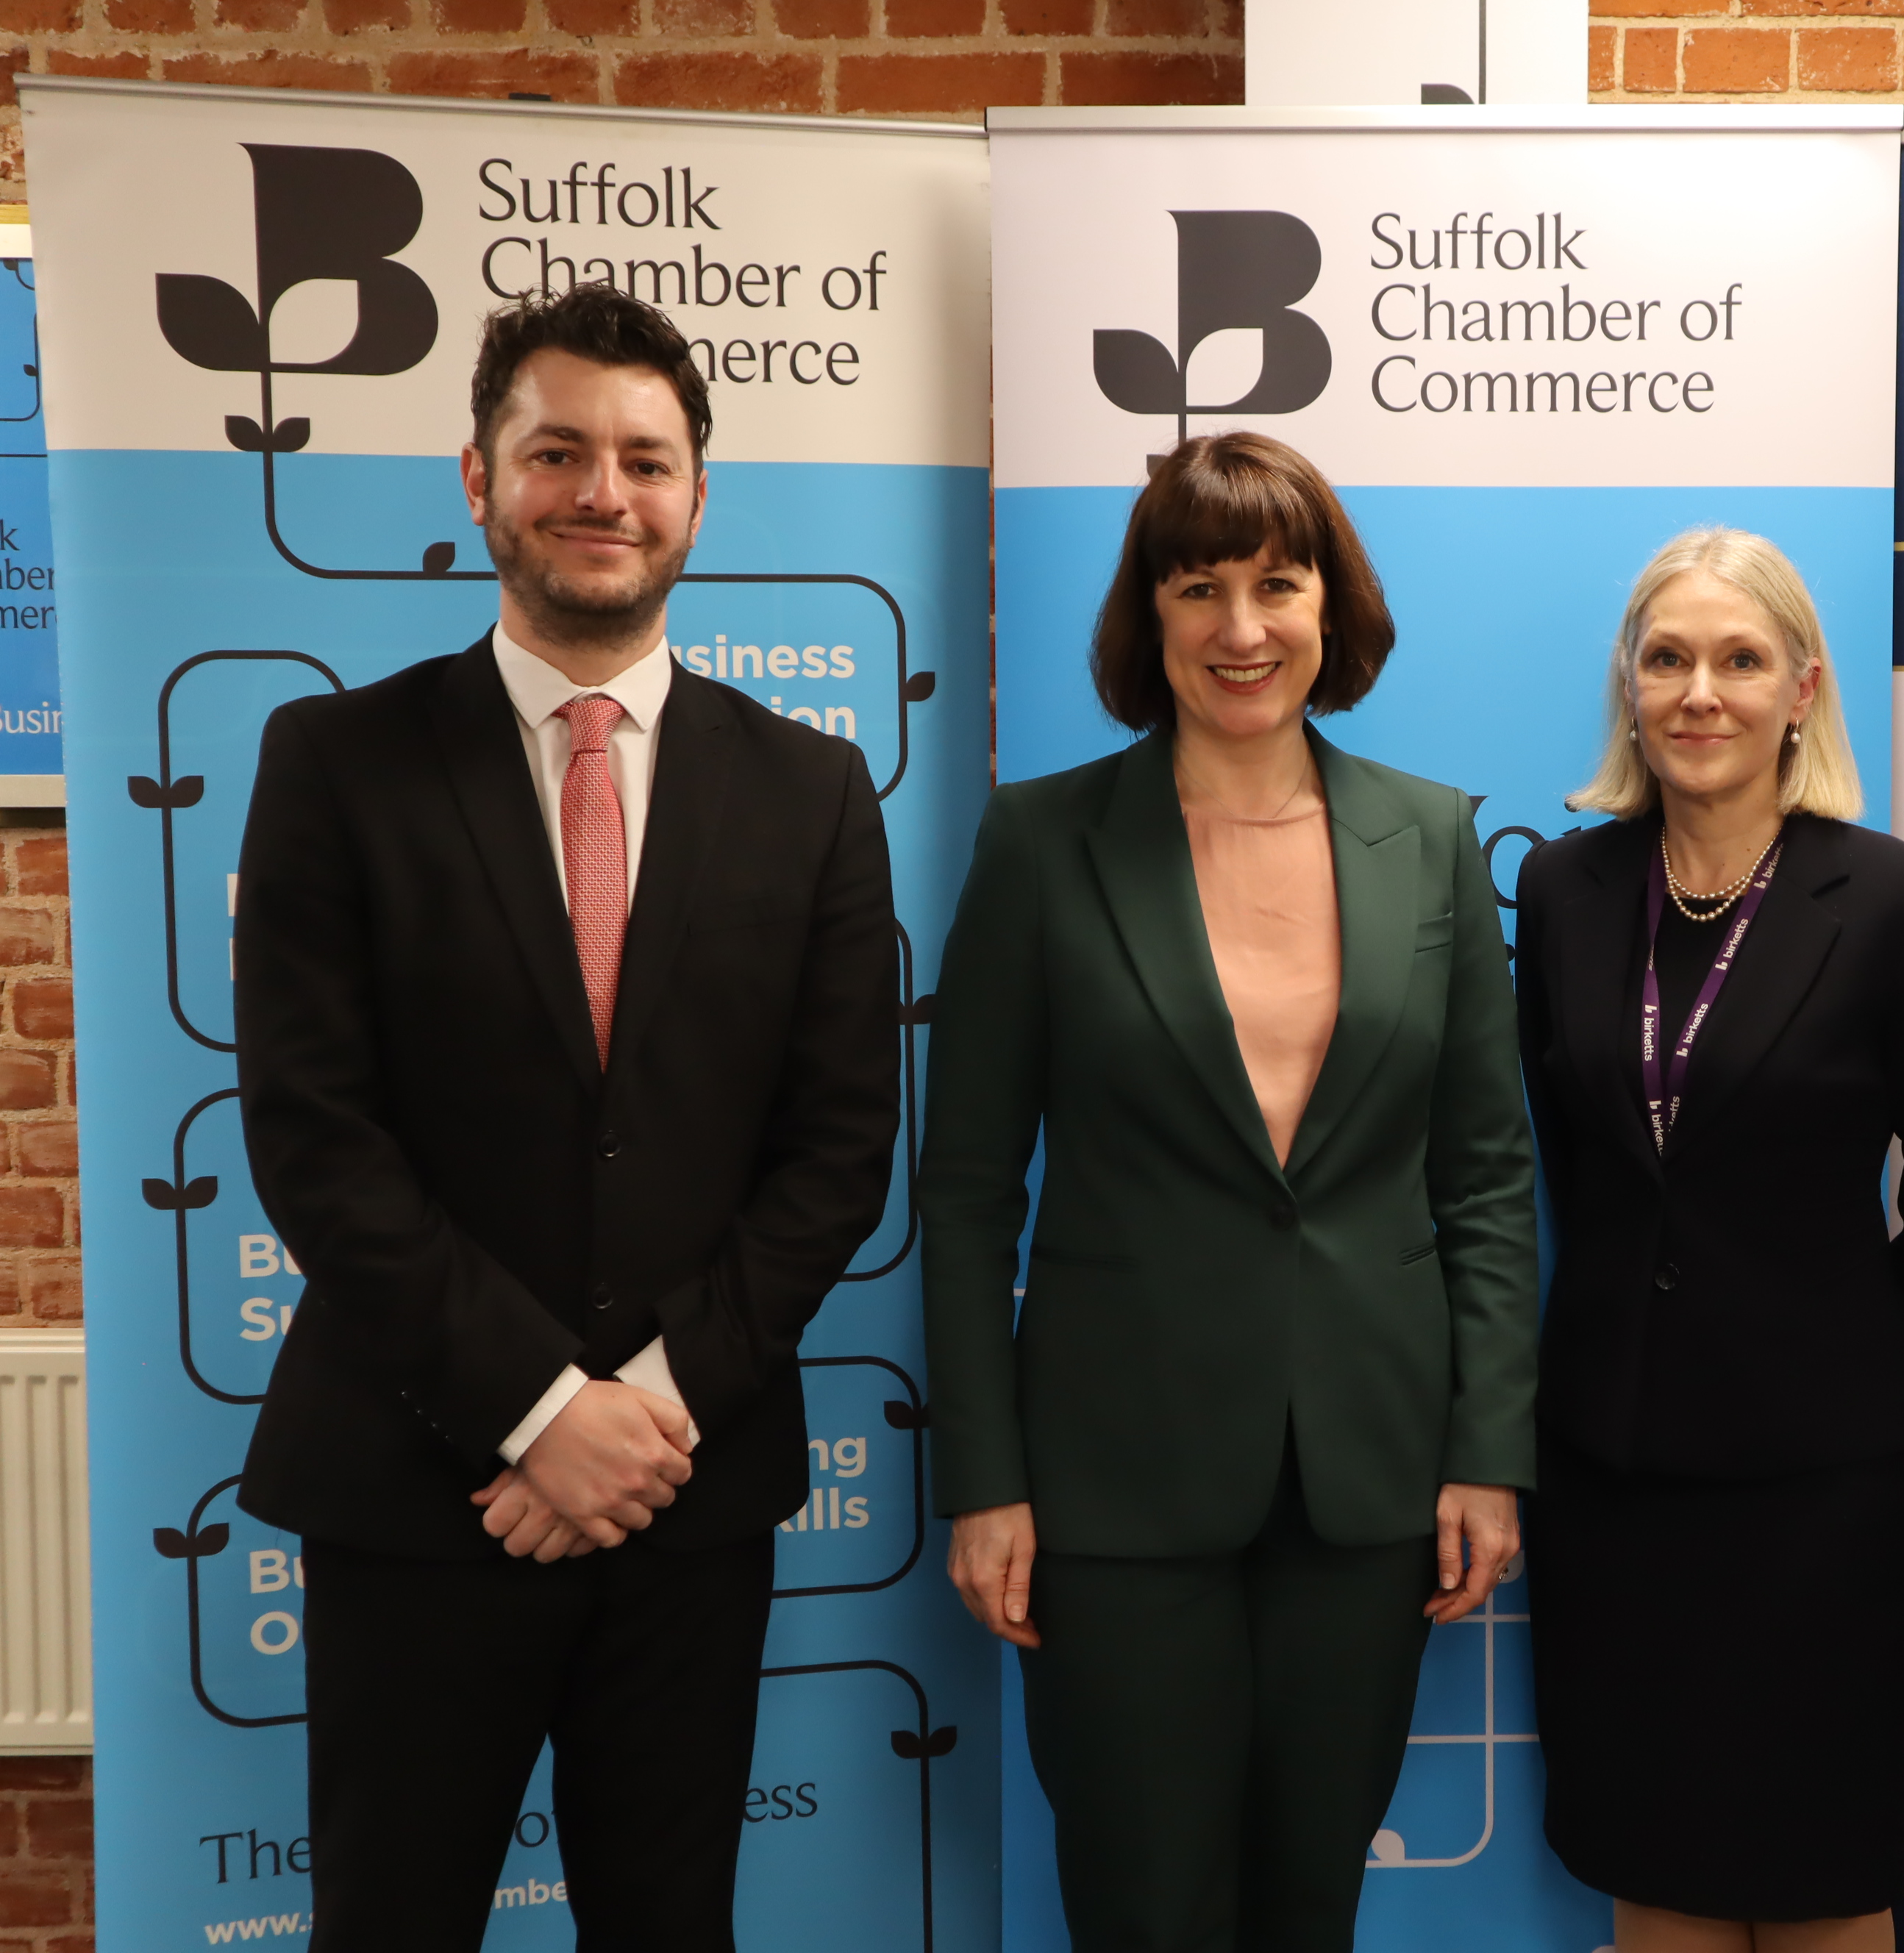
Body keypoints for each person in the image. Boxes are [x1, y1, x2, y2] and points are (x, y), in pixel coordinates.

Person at [230, 281, 900, 1951]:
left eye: (645, 461)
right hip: (419, 1483)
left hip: (686, 1495)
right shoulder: (335, 761)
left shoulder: (813, 789)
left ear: (696, 497)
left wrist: (636, 1418)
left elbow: (836, 1156)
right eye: (558, 452)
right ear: (480, 478)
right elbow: (316, 1136)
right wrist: (537, 1412)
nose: (604, 492)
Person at [919, 431, 1538, 1953]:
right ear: (1150, 615)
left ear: (1333, 608)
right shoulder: (1044, 841)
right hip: (1112, 1487)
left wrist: (1485, 1451)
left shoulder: (1430, 838)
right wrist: (985, 1480)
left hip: (1366, 1484)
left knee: (1308, 1906)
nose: (1241, 627)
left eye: (1278, 584)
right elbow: (968, 1188)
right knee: (1145, 1910)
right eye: (1198, 587)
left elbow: (1484, 1175)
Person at [1516, 528, 1904, 1953]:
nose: (1700, 693)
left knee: (1816, 1879)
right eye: (1667, 659)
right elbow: (1570, 1165)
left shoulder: (1902, 902)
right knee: (1650, 1863)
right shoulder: (1565, 891)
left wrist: (1878, 1392)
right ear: (1629, 686)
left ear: (1802, 688)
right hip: (1612, 1475)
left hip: (1821, 1491)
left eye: (1740, 660)